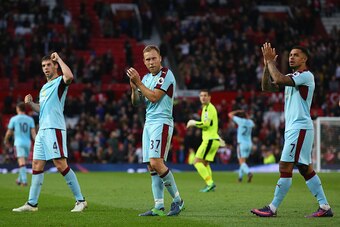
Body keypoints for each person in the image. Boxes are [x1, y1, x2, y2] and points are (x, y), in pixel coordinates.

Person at [251, 42, 333, 217]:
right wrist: (267, 65)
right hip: (294, 129)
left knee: (285, 166)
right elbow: (267, 87)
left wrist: (271, 63)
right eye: (290, 55)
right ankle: (324, 207)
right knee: (305, 169)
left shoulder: (306, 76)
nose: (291, 57)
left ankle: (272, 208)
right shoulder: (292, 76)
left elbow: (279, 79)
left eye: (296, 55)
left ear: (305, 59)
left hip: (300, 127)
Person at [12, 52, 87, 212]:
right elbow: (42, 109)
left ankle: (80, 200)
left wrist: (59, 59)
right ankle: (32, 204)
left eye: (48, 65)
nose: (45, 68)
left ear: (55, 67)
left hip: (54, 128)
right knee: (36, 164)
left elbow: (70, 77)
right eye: (43, 66)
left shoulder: (60, 81)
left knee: (60, 164)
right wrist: (31, 104)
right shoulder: (44, 88)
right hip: (42, 130)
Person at [127, 45, 184, 216]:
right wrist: (133, 87)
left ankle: (178, 201)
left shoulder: (166, 75)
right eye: (148, 59)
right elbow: (136, 102)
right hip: (149, 123)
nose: (151, 62)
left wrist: (138, 83)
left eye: (153, 58)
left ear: (160, 58)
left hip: (162, 122)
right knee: (151, 167)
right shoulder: (145, 78)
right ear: (144, 62)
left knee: (156, 162)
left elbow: (153, 97)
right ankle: (158, 206)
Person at [186, 89, 223, 192]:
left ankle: (210, 183)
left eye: (205, 95)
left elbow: (205, 124)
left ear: (209, 97)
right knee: (205, 164)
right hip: (213, 139)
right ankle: (210, 185)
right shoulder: (206, 108)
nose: (203, 97)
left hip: (209, 140)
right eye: (201, 95)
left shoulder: (208, 109)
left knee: (196, 162)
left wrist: (193, 123)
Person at [4, 102, 37, 186]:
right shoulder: (30, 119)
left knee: (21, 162)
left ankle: (24, 181)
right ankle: (19, 179)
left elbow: (9, 132)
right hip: (28, 143)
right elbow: (33, 133)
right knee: (23, 162)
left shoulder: (14, 119)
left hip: (19, 142)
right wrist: (36, 141)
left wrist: (5, 140)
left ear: (17, 109)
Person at [228, 109, 254, 183]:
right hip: (249, 144)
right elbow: (251, 122)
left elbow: (229, 114)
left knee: (241, 162)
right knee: (243, 162)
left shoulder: (240, 121)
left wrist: (237, 111)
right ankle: (240, 178)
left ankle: (249, 173)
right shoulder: (251, 122)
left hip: (241, 144)